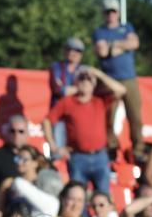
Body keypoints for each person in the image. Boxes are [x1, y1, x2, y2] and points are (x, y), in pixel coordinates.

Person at [43, 66, 126, 195]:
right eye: (81, 78)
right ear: (76, 82)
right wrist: (53, 146)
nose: (85, 82)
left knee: (104, 197)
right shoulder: (67, 102)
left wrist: (99, 73)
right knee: (77, 196)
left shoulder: (100, 101)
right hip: (77, 157)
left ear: (94, 84)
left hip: (100, 157)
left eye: (89, 79)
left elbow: (121, 90)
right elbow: (47, 121)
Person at [94, 0, 144, 159]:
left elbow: (134, 43)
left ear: (118, 13)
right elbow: (102, 51)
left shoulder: (127, 27)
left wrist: (114, 45)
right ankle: (111, 146)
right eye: (108, 12)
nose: (111, 15)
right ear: (104, 13)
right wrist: (122, 45)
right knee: (108, 116)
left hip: (128, 78)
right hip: (110, 79)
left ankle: (138, 148)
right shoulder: (100, 31)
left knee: (135, 115)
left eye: (113, 11)